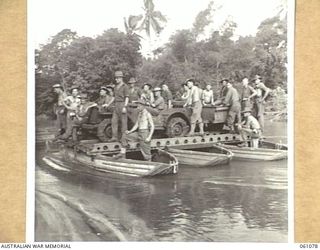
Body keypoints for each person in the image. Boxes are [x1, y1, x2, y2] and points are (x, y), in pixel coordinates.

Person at [109, 71, 130, 142]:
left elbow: (127, 97)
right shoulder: (115, 87)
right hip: (116, 105)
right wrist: (108, 104)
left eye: (117, 78)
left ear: (121, 78)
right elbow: (114, 97)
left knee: (124, 122)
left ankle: (124, 138)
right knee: (114, 121)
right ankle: (114, 137)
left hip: (122, 104)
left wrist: (125, 107)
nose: (116, 79)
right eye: (116, 78)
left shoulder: (125, 86)